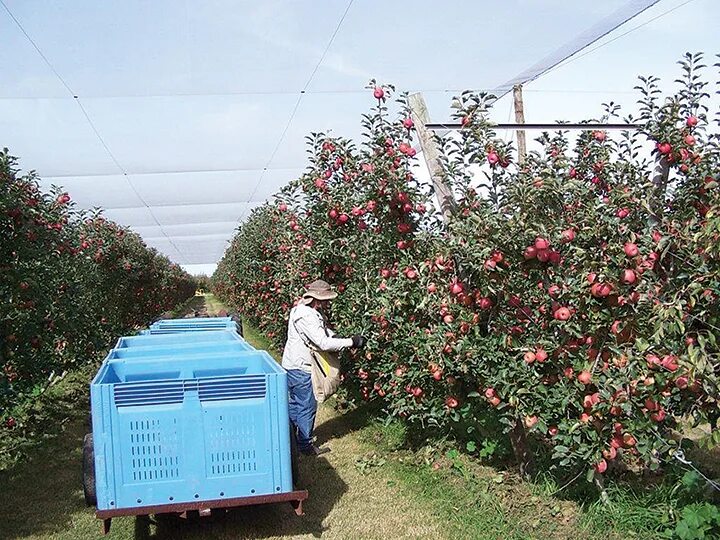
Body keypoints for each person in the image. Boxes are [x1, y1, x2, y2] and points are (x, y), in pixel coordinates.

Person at [282, 279, 366, 456]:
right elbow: (322, 342)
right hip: (301, 367)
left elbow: (321, 332)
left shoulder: (300, 310)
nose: (328, 303)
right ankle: (305, 446)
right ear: (317, 299)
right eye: (326, 300)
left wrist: (337, 337)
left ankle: (287, 438)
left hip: (291, 364)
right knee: (306, 405)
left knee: (296, 403)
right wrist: (352, 342)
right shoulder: (308, 315)